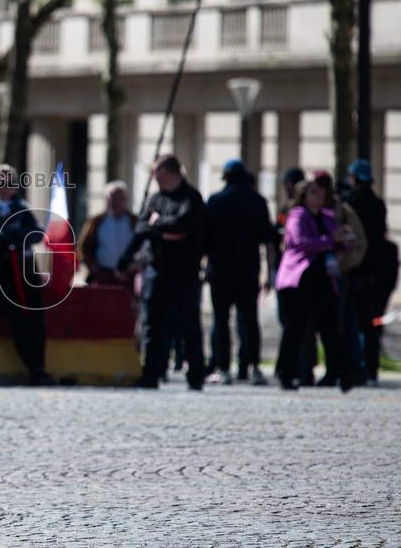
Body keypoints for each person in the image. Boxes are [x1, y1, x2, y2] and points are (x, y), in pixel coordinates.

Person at [118, 155, 205, 390]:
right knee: (153, 325)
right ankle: (151, 374)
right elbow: (141, 228)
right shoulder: (156, 199)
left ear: (167, 172)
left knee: (189, 325)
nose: (153, 178)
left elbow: (182, 225)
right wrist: (126, 259)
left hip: (185, 271)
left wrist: (158, 225)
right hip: (158, 270)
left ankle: (196, 375)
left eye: (156, 172)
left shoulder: (192, 198)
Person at [0, 164, 55, 385]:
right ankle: (31, 366)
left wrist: (10, 235)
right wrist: (17, 235)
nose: (6, 187)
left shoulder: (21, 207)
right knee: (16, 318)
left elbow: (37, 233)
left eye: (10, 182)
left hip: (27, 269)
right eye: (1, 182)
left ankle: (39, 366)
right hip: (1, 272)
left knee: (36, 318)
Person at [203, 160, 277, 386]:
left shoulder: (215, 201)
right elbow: (269, 240)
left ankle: (223, 368)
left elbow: (204, 240)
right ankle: (252, 366)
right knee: (249, 320)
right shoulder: (258, 201)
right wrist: (270, 273)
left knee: (221, 320)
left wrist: (204, 266)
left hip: (220, 269)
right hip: (248, 269)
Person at [275, 180, 354, 392]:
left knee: (330, 328)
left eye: (321, 193)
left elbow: (333, 242)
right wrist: (330, 239)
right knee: (295, 328)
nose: (319, 197)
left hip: (322, 278)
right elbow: (301, 242)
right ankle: (286, 372)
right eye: (314, 193)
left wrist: (343, 241)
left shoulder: (327, 217)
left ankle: (343, 373)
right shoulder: (297, 216)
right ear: (304, 196)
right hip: (301, 278)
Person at [312, 170, 365, 386]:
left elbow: (358, 243)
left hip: (336, 275)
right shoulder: (306, 211)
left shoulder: (341, 211)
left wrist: (341, 266)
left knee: (339, 323)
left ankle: (343, 369)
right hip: (312, 274)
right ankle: (308, 367)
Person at [345, 159, 389, 385]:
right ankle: (371, 368)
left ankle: (355, 365)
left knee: (352, 319)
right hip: (376, 270)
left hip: (356, 268)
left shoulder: (350, 203)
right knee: (371, 321)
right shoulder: (379, 203)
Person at [78, 180, 136, 286]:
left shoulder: (134, 222)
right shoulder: (96, 222)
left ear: (125, 199)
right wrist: (93, 267)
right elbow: (83, 246)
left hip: (127, 277)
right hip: (102, 276)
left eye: (119, 198)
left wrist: (134, 267)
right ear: (106, 199)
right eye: (112, 198)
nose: (115, 202)